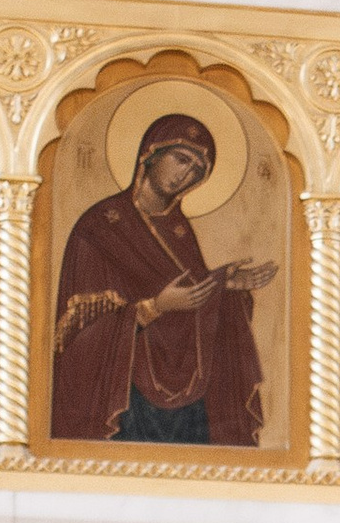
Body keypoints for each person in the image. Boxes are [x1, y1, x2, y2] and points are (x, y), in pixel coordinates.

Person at [49, 112, 275, 445]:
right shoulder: (99, 227)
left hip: (189, 401)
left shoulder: (179, 232)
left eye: (197, 170)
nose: (186, 174)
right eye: (181, 159)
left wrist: (223, 286)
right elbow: (73, 334)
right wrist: (153, 307)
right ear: (150, 154)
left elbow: (191, 298)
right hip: (124, 395)